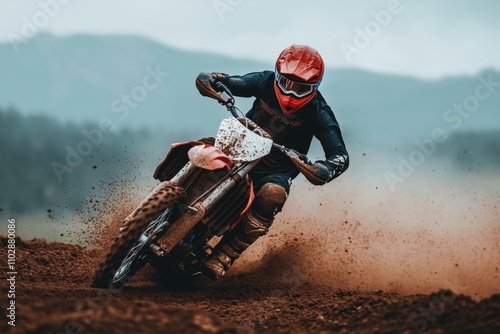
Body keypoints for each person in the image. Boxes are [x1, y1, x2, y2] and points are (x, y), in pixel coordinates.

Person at [195, 45, 349, 279]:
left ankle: (225, 254)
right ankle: (162, 203)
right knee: (201, 148)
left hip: (275, 171)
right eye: (286, 83)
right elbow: (230, 82)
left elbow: (340, 155)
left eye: (302, 88)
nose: (291, 93)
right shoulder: (264, 81)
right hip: (238, 148)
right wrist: (212, 80)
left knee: (273, 195)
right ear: (277, 75)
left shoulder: (319, 111)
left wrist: (324, 169)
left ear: (315, 88)